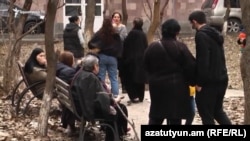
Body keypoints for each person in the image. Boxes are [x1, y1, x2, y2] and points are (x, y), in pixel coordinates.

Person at [144, 19, 196, 125]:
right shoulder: (181, 47)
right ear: (177, 32)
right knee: (175, 117)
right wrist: (192, 82)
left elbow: (145, 65)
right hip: (177, 87)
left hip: (157, 87)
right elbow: (191, 67)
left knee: (156, 116)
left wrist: (151, 78)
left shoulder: (152, 47)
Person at [70, 54, 128, 141]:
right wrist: (113, 100)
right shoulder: (90, 77)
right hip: (87, 110)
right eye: (98, 65)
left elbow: (94, 96)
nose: (99, 67)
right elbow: (101, 98)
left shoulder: (80, 73)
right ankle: (116, 137)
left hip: (80, 107)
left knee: (117, 108)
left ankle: (117, 133)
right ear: (95, 66)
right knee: (121, 109)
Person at [188, 10, 232, 125]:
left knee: (206, 114)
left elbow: (203, 60)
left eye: (191, 23)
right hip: (221, 78)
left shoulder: (201, 36)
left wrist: (199, 83)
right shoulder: (215, 34)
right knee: (218, 111)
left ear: (194, 21)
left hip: (209, 82)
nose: (191, 26)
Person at [88, 17, 123, 98]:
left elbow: (91, 42)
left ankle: (102, 94)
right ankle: (115, 95)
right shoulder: (115, 34)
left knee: (101, 77)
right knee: (113, 77)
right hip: (112, 58)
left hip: (102, 56)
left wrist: (97, 47)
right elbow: (120, 45)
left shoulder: (100, 33)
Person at [122, 17, 148, 103]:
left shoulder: (132, 34)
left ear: (133, 24)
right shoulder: (143, 34)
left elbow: (126, 46)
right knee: (140, 79)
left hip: (131, 60)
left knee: (130, 79)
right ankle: (141, 96)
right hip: (141, 60)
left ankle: (134, 96)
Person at [56, 51, 78, 136]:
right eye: (73, 59)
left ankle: (66, 124)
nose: (74, 61)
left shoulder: (58, 68)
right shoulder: (69, 71)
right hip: (70, 101)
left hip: (64, 97)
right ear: (69, 60)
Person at [111, 11, 128, 93]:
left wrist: (116, 29)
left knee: (122, 70)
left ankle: (124, 86)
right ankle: (113, 88)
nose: (116, 19)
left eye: (118, 17)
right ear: (112, 18)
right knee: (112, 71)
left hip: (121, 51)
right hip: (112, 52)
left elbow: (122, 38)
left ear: (120, 19)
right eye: (115, 17)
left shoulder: (123, 27)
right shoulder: (109, 27)